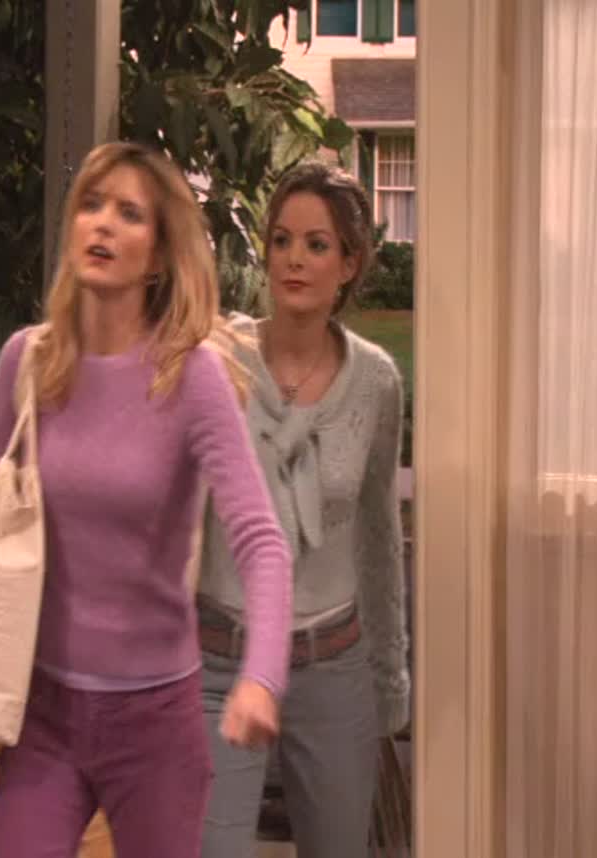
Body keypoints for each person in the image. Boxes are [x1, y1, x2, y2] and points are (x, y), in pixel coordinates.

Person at [0, 141, 293, 858]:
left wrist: (262, 677)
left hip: (156, 722)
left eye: (129, 213)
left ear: (159, 254)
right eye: (91, 205)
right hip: (46, 714)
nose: (103, 223)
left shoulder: (191, 377)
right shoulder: (31, 361)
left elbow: (260, 541)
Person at [196, 161, 411, 858]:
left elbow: (378, 536)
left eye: (317, 245)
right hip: (220, 658)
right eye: (282, 240)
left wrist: (390, 677)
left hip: (333, 663)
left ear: (348, 264)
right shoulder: (217, 360)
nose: (294, 258)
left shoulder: (376, 382)